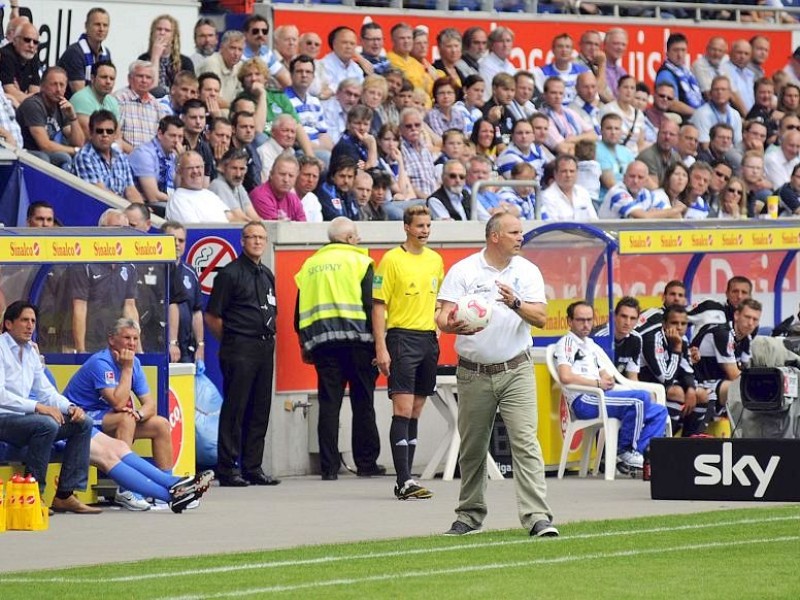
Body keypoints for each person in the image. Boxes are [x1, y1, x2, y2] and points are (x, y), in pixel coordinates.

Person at [436, 213, 557, 538]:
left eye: (521, 232)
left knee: (525, 441)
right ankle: (469, 516)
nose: (521, 237)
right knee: (473, 447)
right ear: (494, 236)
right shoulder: (464, 270)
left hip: (516, 368)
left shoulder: (527, 271)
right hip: (473, 372)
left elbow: (542, 318)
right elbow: (441, 315)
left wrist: (515, 302)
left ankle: (537, 517)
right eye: (514, 232)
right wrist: (451, 323)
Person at [294, 217, 383, 481]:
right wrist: (381, 343)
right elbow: (371, 305)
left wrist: (304, 344)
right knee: (363, 402)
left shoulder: (310, 265)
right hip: (359, 341)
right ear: (348, 238)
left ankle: (329, 467)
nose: (359, 240)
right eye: (356, 236)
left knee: (329, 404)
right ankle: (366, 463)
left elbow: (299, 311)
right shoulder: (360, 261)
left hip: (322, 344)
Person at [0, 301, 99, 514]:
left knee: (83, 423)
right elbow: (1, 396)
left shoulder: (30, 352)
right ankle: (33, 496)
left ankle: (64, 495)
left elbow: (46, 391)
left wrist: (71, 407)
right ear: (8, 323)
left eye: (33, 321)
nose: (30, 326)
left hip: (22, 420)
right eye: (24, 320)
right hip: (4, 418)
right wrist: (38, 407)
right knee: (46, 423)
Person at [371, 205, 443, 499]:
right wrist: (381, 345)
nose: (424, 231)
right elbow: (378, 305)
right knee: (401, 408)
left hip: (428, 339)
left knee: (415, 409)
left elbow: (438, 301)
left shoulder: (436, 260)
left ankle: (408, 479)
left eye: (428, 226)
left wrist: (440, 321)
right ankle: (403, 480)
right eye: (419, 226)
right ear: (406, 227)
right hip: (401, 338)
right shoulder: (390, 260)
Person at [63, 318, 174, 505]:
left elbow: (150, 405)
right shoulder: (101, 362)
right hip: (80, 417)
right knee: (125, 418)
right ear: (112, 340)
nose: (131, 343)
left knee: (160, 424)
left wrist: (139, 414)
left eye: (135, 338)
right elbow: (118, 402)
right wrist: (127, 369)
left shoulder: (135, 363)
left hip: (109, 419)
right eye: (126, 338)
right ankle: (127, 490)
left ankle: (167, 489)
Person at [205, 221, 280, 487]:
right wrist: (233, 340)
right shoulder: (230, 273)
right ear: (242, 241)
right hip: (240, 347)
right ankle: (227, 468)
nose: (257, 241)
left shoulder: (267, 274)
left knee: (260, 408)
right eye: (251, 237)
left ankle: (253, 466)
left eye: (261, 237)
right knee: (236, 408)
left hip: (264, 346)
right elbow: (213, 316)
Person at [554, 301, 668, 473]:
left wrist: (606, 378)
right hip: (584, 401)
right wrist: (597, 384)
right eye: (580, 320)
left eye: (589, 320)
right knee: (640, 399)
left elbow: (603, 371)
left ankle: (640, 454)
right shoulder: (566, 343)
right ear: (569, 321)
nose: (586, 325)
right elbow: (565, 376)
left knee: (659, 411)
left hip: (600, 396)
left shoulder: (590, 345)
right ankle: (625, 451)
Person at [69, 209, 139, 353]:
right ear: (101, 230)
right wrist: (81, 350)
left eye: (125, 229)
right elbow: (79, 308)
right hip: (90, 340)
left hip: (118, 341)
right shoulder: (85, 264)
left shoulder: (129, 265)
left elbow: (130, 306)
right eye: (116, 228)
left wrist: (138, 349)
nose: (121, 234)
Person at [639, 304, 710, 437]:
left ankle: (689, 442)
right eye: (674, 323)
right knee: (677, 392)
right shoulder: (653, 338)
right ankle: (665, 440)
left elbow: (687, 369)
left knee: (701, 394)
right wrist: (677, 348)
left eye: (683, 323)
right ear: (664, 324)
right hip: (646, 384)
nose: (679, 327)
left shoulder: (682, 339)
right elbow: (665, 378)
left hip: (665, 384)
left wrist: (690, 389)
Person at [691, 298, 762, 414]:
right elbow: (734, 374)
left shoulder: (746, 339)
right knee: (739, 388)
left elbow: (745, 368)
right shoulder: (722, 332)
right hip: (698, 383)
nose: (750, 323)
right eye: (747, 317)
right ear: (737, 315)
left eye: (755, 319)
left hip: (717, 384)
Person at [17, 67, 85, 170]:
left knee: (70, 159)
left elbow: (78, 142)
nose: (58, 89)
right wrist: (75, 150)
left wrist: (73, 117)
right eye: (54, 84)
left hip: (45, 153)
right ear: (42, 86)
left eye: (62, 85)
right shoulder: (33, 105)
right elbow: (44, 145)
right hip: (25, 152)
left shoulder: (62, 106)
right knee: (53, 157)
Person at [72, 109, 143, 203]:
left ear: (114, 135)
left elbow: (131, 190)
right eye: (99, 131)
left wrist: (141, 210)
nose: (105, 135)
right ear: (91, 133)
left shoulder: (121, 157)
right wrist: (129, 209)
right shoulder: (85, 157)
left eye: (109, 131)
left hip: (121, 209)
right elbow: (101, 194)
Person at [161, 221, 205, 364]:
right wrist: (171, 342)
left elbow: (196, 311)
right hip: (160, 345)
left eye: (181, 240)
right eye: (172, 239)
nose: (176, 244)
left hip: (186, 348)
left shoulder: (191, 272)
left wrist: (200, 345)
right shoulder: (154, 268)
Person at [115, 60, 171, 149]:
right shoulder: (119, 99)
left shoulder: (156, 105)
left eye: (148, 77)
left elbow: (164, 136)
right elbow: (114, 137)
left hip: (152, 159)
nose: (144, 80)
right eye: (140, 76)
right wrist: (137, 155)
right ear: (130, 78)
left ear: (152, 82)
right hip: (125, 158)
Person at [166, 151, 232, 224]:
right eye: (190, 168)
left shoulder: (210, 195)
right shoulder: (178, 200)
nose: (195, 171)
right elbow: (194, 231)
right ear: (179, 171)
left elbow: (231, 219)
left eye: (198, 167)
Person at [57, 7, 111, 95]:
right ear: (86, 26)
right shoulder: (75, 52)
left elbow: (107, 89)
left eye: (105, 25)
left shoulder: (106, 53)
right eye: (97, 24)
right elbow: (80, 95)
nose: (101, 29)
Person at [138, 15, 194, 98]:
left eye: (167, 30)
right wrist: (155, 56)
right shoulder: (143, 59)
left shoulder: (185, 62)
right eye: (159, 29)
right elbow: (151, 87)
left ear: (173, 36)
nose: (162, 33)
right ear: (153, 33)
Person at [655, 33, 703, 118]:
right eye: (676, 50)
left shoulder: (686, 72)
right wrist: (698, 114)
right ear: (667, 52)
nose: (680, 55)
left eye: (683, 50)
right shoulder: (666, 74)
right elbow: (672, 103)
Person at [209, 148, 262, 222]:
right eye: (234, 168)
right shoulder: (218, 185)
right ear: (224, 168)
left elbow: (254, 217)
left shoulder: (239, 186)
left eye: (242, 169)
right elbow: (239, 218)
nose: (238, 174)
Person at [540, 154, 598, 221]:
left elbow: (594, 220)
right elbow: (551, 226)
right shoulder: (547, 197)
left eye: (572, 171)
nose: (568, 175)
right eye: (564, 171)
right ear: (555, 173)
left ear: (577, 173)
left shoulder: (583, 192)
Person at [249, 155, 306, 221]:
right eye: (282, 174)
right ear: (271, 174)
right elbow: (275, 229)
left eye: (291, 176)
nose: (286, 180)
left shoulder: (294, 199)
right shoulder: (260, 196)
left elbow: (303, 227)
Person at [0, 21, 42, 106]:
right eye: (27, 40)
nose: (31, 45)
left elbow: (35, 90)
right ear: (15, 40)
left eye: (35, 42)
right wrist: (31, 100)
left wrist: (25, 97)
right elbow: (9, 90)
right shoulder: (6, 55)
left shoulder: (33, 57)